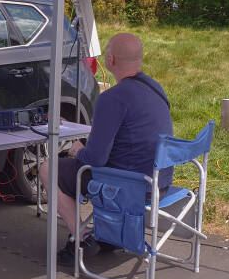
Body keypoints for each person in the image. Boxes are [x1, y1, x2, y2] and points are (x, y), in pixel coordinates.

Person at [39, 32, 173, 266]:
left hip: (130, 187)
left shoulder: (112, 98)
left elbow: (95, 159)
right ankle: (110, 235)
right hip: (159, 182)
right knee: (82, 167)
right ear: (139, 58)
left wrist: (77, 150)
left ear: (110, 60)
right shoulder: (155, 87)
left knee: (48, 168)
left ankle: (81, 239)